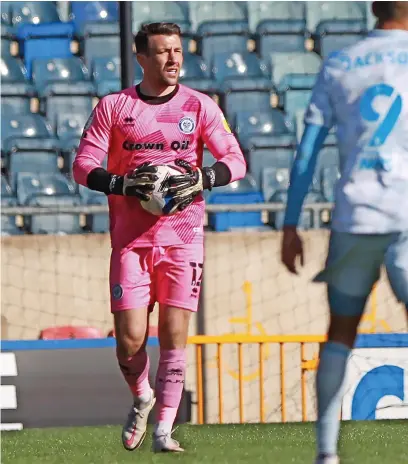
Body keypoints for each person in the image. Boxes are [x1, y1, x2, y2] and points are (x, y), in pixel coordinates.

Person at [73, 22, 246, 453]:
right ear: (142, 58)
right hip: (131, 241)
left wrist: (204, 177)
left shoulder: (200, 106)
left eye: (177, 51)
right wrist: (122, 185)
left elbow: (236, 161)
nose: (173, 60)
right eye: (163, 52)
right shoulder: (115, 107)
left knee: (173, 331)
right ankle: (142, 397)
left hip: (183, 237)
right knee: (130, 340)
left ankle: (166, 430)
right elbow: (82, 165)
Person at [280, 2, 408, 463]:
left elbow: (307, 152)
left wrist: (291, 223)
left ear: (374, 8)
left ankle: (327, 453)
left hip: (357, 216)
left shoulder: (340, 63)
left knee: (340, 332)